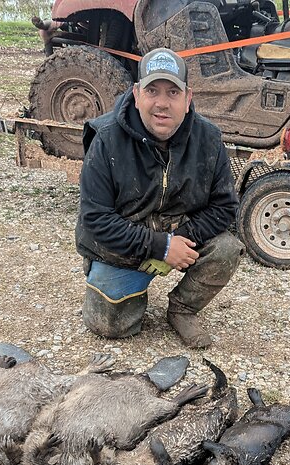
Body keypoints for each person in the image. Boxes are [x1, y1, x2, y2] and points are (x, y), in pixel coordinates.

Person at [75, 47, 242, 349]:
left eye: (173, 92)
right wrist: (160, 247)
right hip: (123, 247)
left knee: (227, 249)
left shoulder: (209, 139)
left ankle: (182, 309)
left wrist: (178, 241)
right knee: (110, 326)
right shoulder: (105, 137)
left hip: (180, 236)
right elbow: (95, 219)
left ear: (188, 98)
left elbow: (226, 206)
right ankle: (120, 285)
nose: (162, 104)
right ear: (137, 94)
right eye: (152, 90)